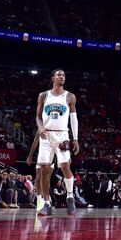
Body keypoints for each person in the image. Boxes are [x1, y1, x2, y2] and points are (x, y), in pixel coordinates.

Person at [35, 68, 80, 216]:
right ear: (52, 78)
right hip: (46, 136)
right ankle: (47, 204)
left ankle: (70, 197)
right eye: (58, 74)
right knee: (44, 171)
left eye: (63, 75)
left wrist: (75, 139)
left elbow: (74, 118)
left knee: (65, 166)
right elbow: (38, 117)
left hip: (62, 135)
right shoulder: (43, 95)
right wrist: (40, 127)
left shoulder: (69, 96)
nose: (61, 76)